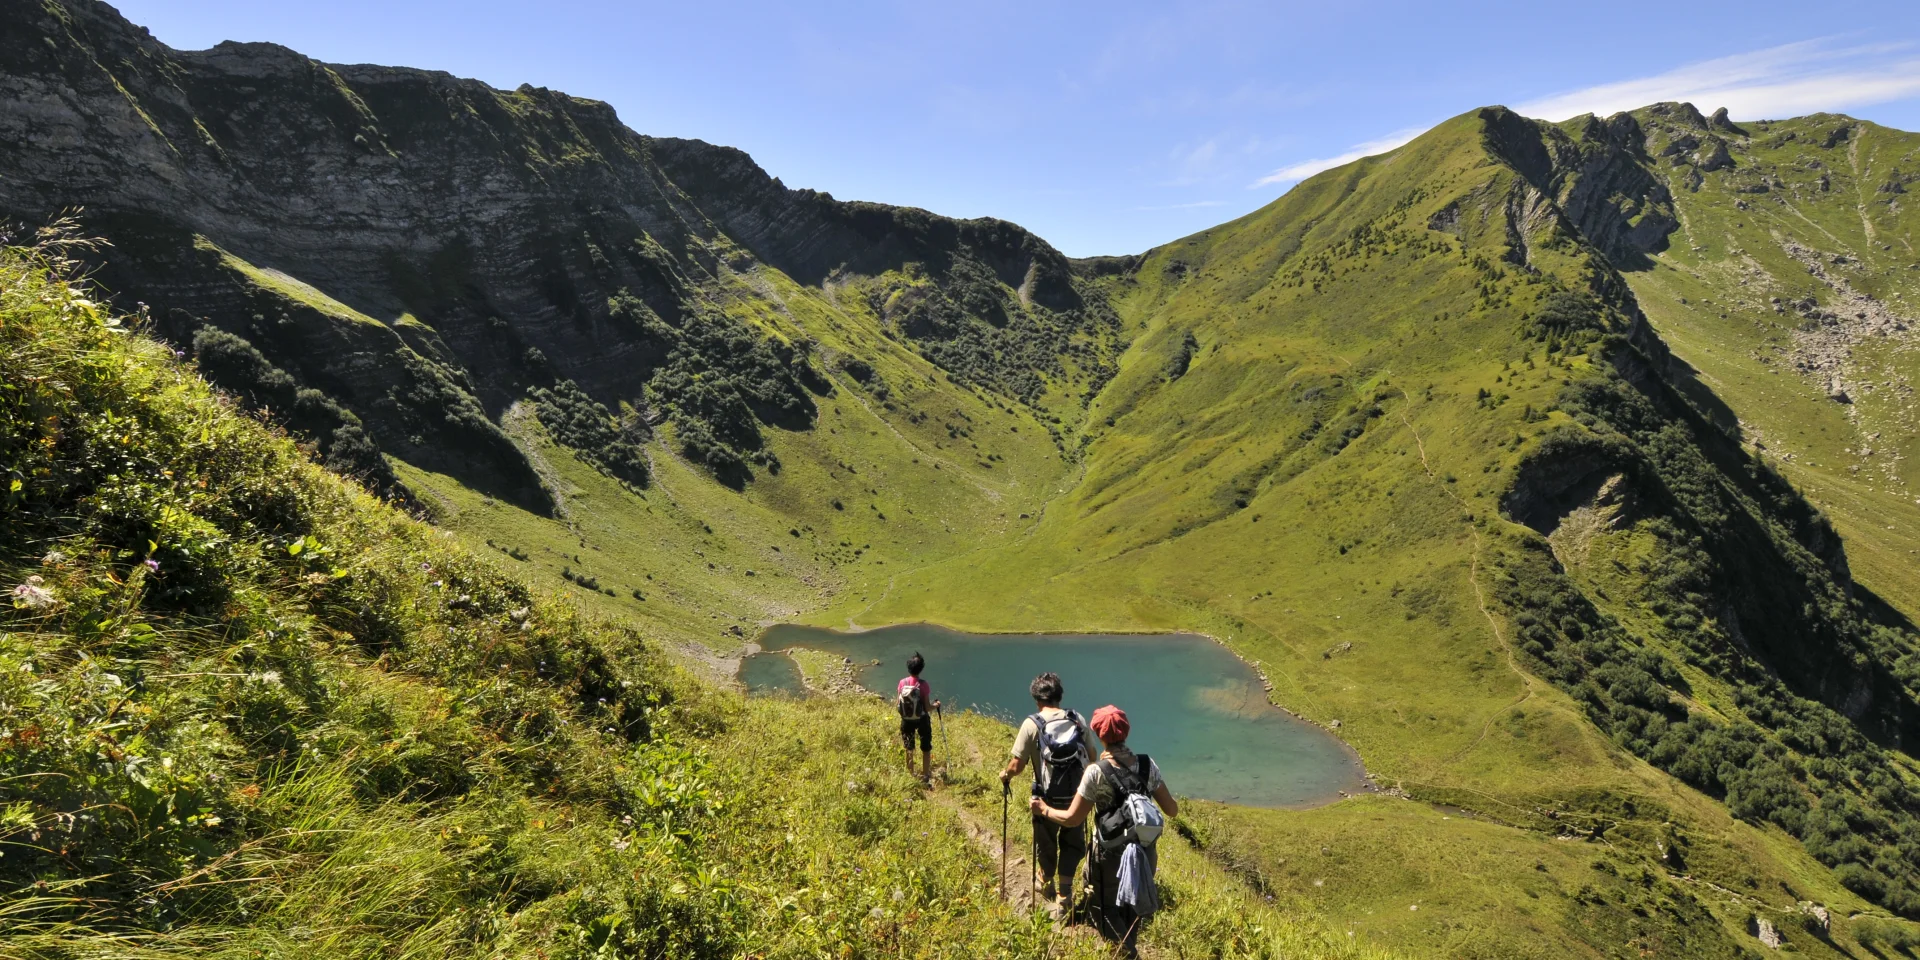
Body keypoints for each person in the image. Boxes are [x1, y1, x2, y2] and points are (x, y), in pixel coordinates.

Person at [1029, 704, 1176, 957]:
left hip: (1109, 856)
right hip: (1145, 853)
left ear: (1099, 734)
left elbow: (1072, 819)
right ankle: (1128, 943)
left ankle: (1127, 954)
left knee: (1104, 908)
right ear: (1126, 731)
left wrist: (1043, 810)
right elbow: (1171, 810)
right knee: (1131, 907)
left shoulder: (1096, 772)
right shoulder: (1147, 764)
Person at [1000, 672, 1095, 916]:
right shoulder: (1077, 719)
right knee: (1072, 844)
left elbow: (1017, 765)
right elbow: (1092, 756)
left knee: (1046, 842)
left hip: (1045, 798)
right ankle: (1065, 894)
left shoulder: (1032, 724)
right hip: (1077, 798)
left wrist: (1005, 775)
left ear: (1036, 698)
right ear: (1059, 696)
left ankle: (1045, 880)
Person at [895, 652, 940, 783]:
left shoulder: (902, 683)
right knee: (926, 748)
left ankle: (911, 775)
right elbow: (927, 707)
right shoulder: (923, 685)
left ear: (908, 667)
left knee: (909, 748)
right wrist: (936, 705)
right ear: (921, 668)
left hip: (906, 720)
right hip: (922, 720)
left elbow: (898, 704)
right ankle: (925, 775)